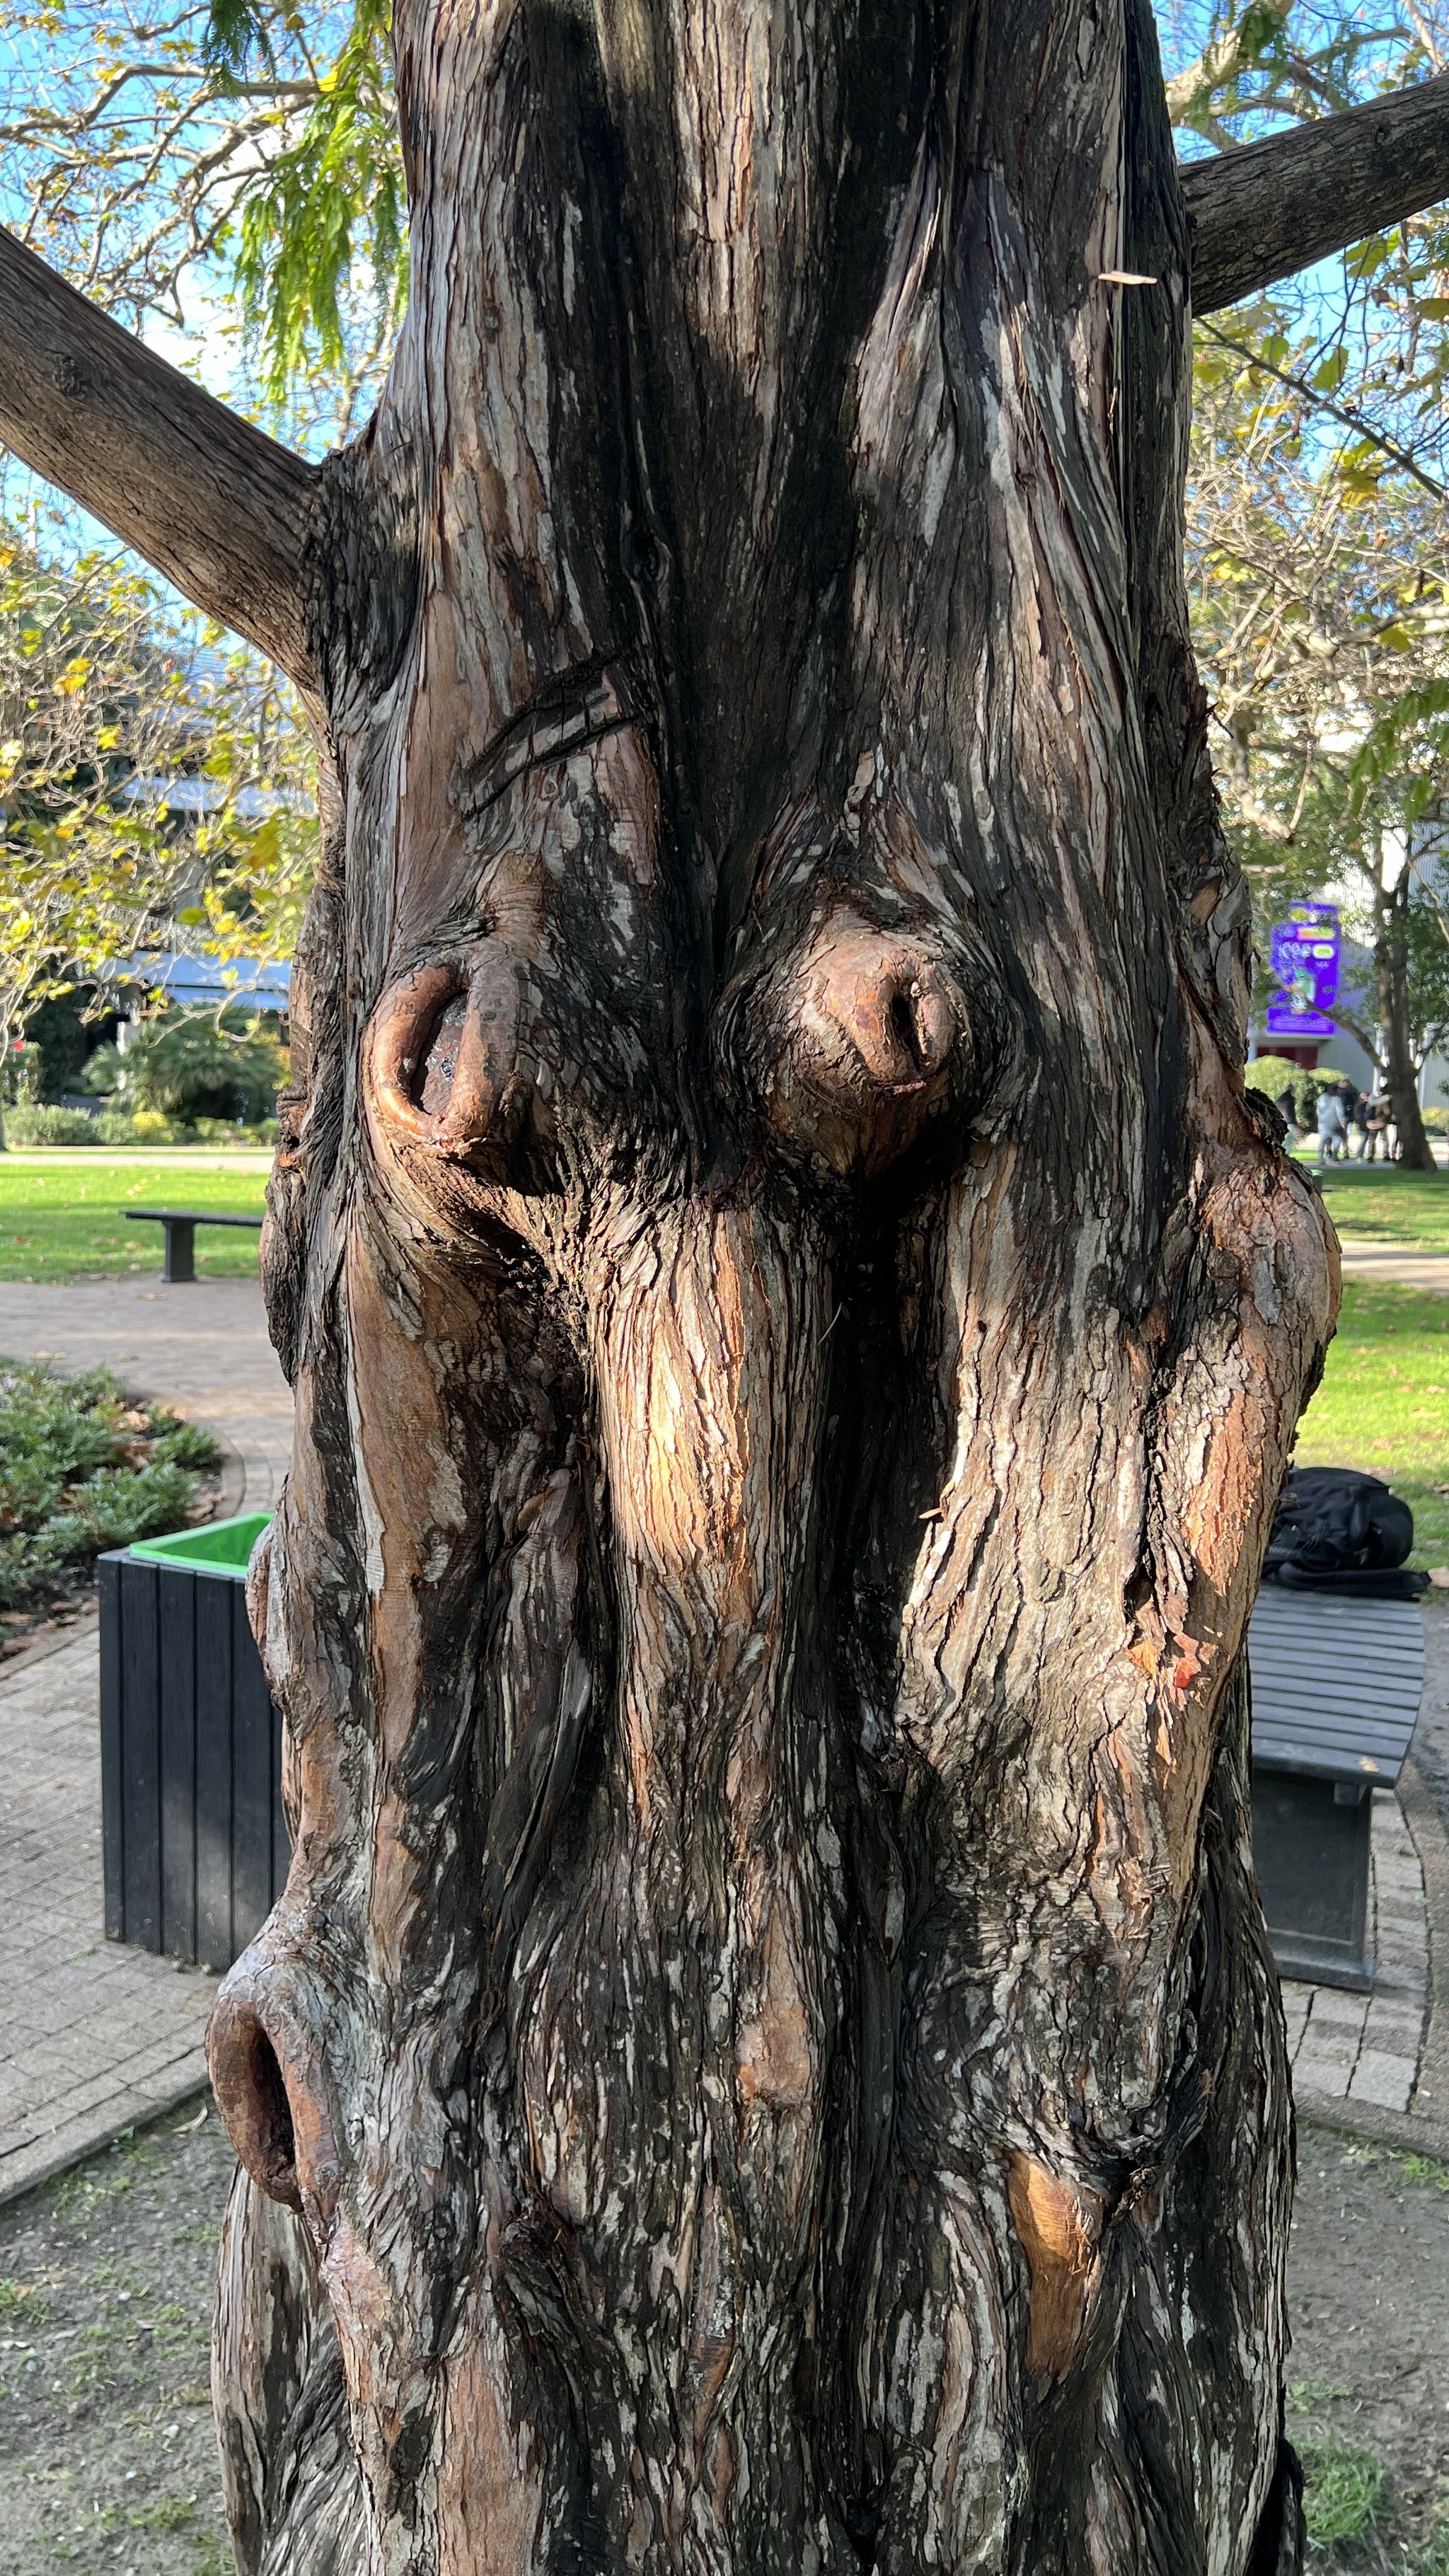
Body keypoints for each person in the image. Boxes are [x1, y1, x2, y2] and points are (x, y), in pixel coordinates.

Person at [1315, 1083, 1347, 1165]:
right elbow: (1340, 1112)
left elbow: (1318, 1110)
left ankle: (1321, 1158)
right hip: (1333, 1123)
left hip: (1322, 1123)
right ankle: (1334, 1157)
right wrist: (1343, 1123)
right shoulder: (1336, 1099)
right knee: (1338, 1139)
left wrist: (1320, 1118)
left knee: (1323, 1140)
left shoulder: (1322, 1098)